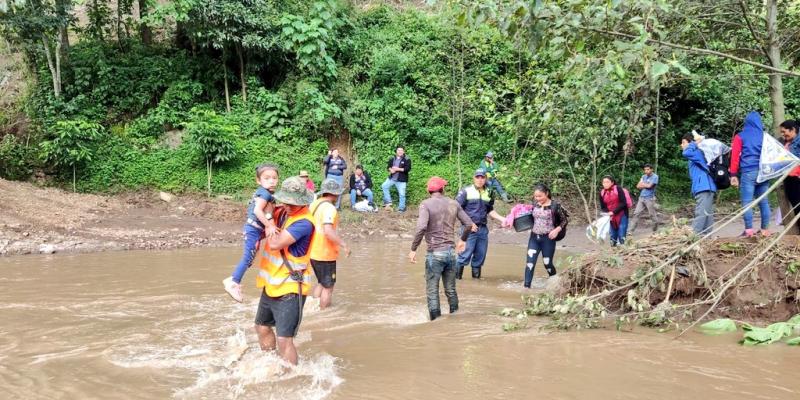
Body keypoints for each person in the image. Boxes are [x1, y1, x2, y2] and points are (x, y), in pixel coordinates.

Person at [254, 176, 316, 365]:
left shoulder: (304, 223)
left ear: (302, 202)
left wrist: (270, 220)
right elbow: (261, 209)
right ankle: (271, 363)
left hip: (291, 288)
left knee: (284, 339)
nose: (287, 206)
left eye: (292, 203)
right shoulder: (284, 212)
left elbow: (274, 243)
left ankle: (292, 376)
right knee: (261, 327)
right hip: (272, 284)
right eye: (285, 201)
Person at [408, 177, 476, 321]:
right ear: (442, 189)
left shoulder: (425, 204)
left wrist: (413, 249)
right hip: (451, 253)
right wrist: (462, 240)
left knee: (432, 291)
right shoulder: (454, 203)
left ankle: (436, 323)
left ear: (429, 190)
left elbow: (421, 227)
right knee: (451, 290)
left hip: (435, 252)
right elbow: (469, 224)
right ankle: (456, 318)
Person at [223, 163, 280, 302]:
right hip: (254, 229)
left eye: (274, 178)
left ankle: (233, 279)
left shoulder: (266, 193)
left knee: (250, 259)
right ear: (258, 181)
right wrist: (270, 226)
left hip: (256, 230)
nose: (271, 181)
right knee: (248, 257)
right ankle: (233, 282)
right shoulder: (265, 193)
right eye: (267, 178)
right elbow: (257, 211)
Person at [455, 169, 507, 279]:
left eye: (482, 177)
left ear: (485, 179)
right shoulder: (465, 191)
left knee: (480, 257)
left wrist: (502, 219)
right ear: (473, 178)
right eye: (477, 177)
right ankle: (456, 283)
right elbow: (457, 209)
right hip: (468, 229)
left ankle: (476, 282)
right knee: (463, 256)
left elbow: (490, 210)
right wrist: (469, 223)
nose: (480, 179)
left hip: (482, 229)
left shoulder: (489, 192)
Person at [308, 179, 350, 310]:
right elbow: (328, 231)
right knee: (328, 287)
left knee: (321, 282)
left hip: (312, 251)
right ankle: (323, 313)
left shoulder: (314, 204)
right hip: (324, 253)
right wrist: (344, 245)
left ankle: (313, 308)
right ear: (334, 194)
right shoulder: (330, 208)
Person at [729, 111, 771, 237]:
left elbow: (735, 157)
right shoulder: (765, 136)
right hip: (764, 172)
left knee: (747, 202)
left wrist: (733, 175)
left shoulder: (740, 136)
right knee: (763, 201)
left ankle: (749, 231)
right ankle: (765, 230)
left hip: (748, 172)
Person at [523, 183, 568, 289]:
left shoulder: (555, 205)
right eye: (536, 196)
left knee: (547, 263)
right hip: (534, 238)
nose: (537, 198)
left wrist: (557, 230)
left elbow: (564, 220)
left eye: (540, 196)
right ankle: (526, 288)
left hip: (548, 239)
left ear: (546, 193)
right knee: (530, 263)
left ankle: (555, 283)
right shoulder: (535, 204)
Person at [682, 133, 717, 235]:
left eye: (683, 142)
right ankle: (706, 237)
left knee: (701, 213)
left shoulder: (696, 152)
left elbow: (686, 153)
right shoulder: (700, 153)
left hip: (703, 187)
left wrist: (694, 143)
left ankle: (694, 238)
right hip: (708, 186)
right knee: (707, 214)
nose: (682, 145)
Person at [779, 119, 800, 232]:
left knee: (798, 204)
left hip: (797, 177)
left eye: (784, 131)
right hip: (789, 177)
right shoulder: (787, 142)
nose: (783, 134)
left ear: (792, 130)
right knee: (795, 204)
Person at [599, 175, 630, 246]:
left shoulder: (618, 189)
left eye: (607, 182)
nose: (605, 184)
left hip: (622, 214)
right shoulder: (602, 193)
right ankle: (613, 251)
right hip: (610, 216)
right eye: (604, 182)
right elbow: (603, 207)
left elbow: (623, 202)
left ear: (612, 182)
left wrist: (613, 212)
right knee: (612, 235)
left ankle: (622, 250)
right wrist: (607, 213)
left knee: (621, 234)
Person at [629, 163, 661, 233]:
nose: (646, 171)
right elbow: (638, 186)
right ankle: (631, 231)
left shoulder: (655, 177)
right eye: (645, 170)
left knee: (652, 215)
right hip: (641, 197)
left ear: (651, 169)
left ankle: (655, 230)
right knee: (636, 213)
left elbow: (650, 186)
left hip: (649, 198)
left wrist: (643, 184)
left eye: (648, 169)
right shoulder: (643, 176)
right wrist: (645, 185)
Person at [381, 146, 412, 212]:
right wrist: (391, 170)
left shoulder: (407, 159)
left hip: (401, 180)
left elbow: (408, 169)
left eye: (401, 150)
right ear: (396, 151)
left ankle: (401, 208)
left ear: (404, 151)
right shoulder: (392, 158)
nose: (400, 151)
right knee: (384, 186)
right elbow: (388, 166)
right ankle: (388, 202)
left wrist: (398, 169)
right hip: (392, 178)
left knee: (402, 194)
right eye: (398, 150)